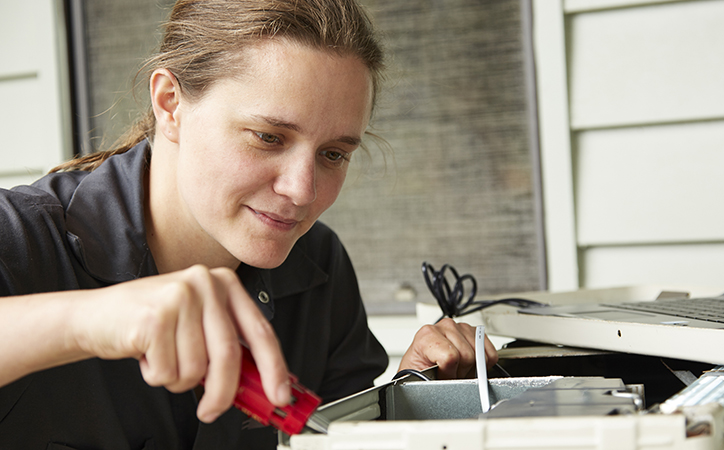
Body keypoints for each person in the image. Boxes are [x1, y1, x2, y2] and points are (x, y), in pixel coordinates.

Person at [0, 0, 497, 448]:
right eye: (268, 137)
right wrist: (89, 320)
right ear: (170, 103)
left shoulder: (319, 267)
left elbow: (332, 437)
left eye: (332, 154)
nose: (302, 191)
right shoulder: (18, 241)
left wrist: (412, 400)